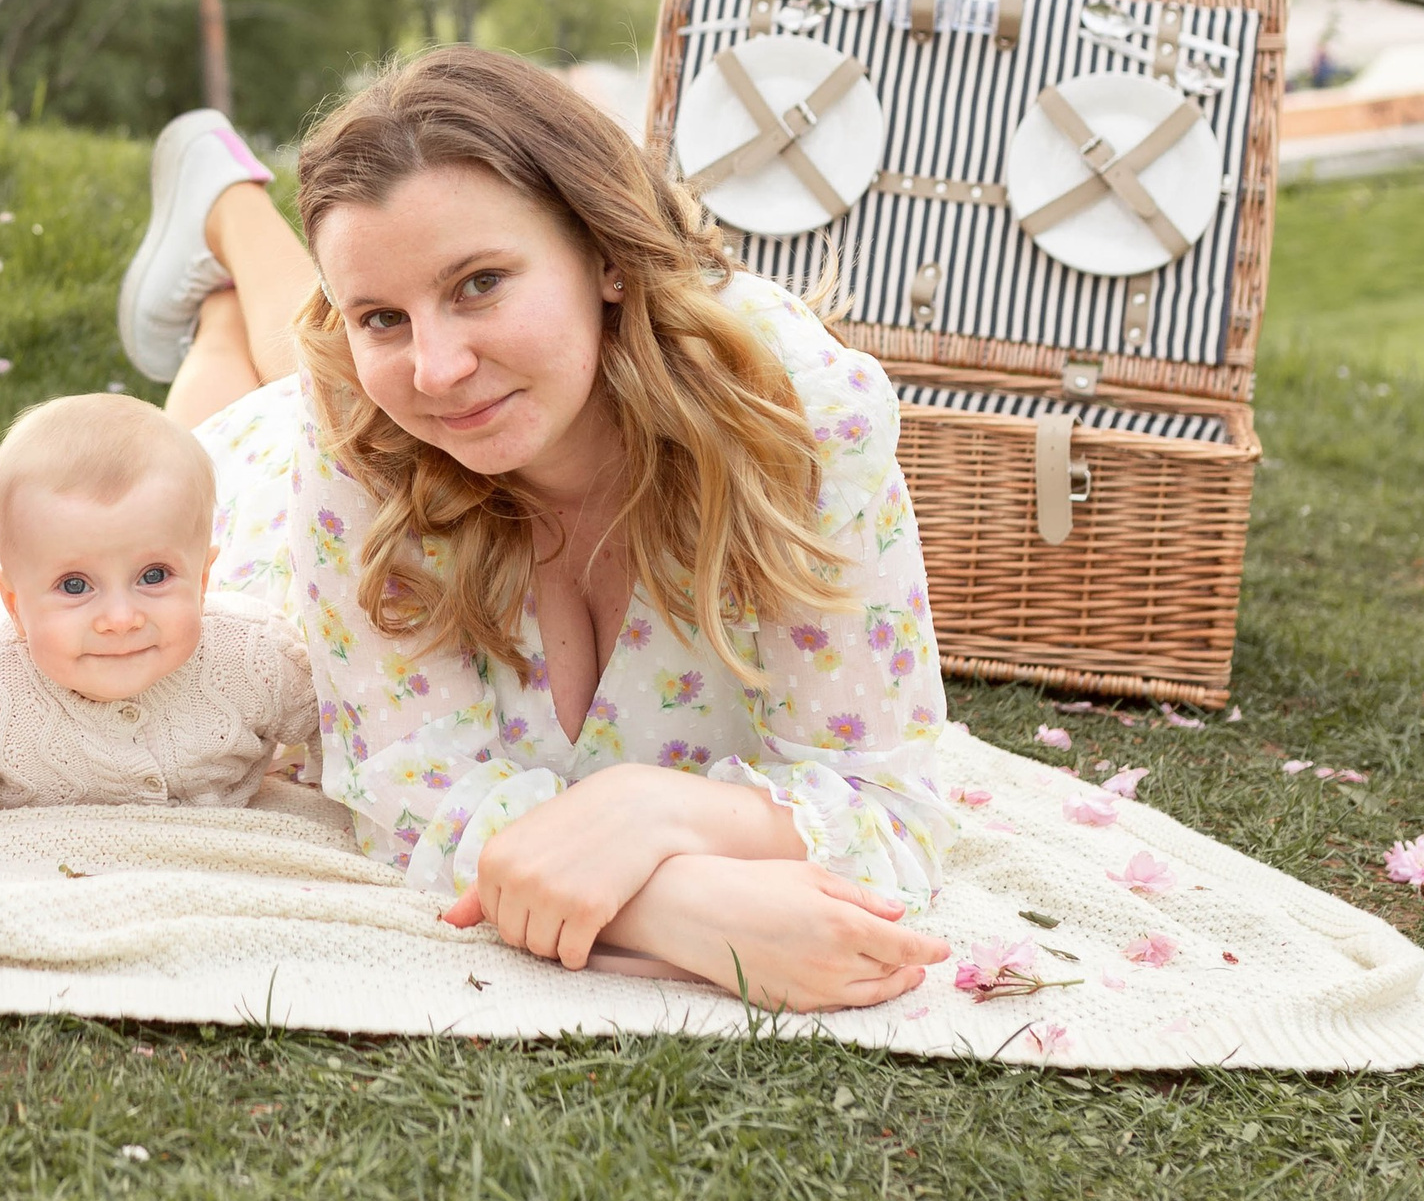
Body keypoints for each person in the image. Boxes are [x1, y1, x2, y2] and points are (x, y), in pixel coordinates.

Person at [115, 58, 954, 1014]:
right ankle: (227, 233)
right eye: (381, 317)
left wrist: (652, 808)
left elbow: (889, 804)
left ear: (606, 254)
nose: (435, 366)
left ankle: (227, 235)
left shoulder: (798, 417)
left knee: (337, 358)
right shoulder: (357, 410)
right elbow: (407, 790)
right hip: (275, 506)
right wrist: (675, 907)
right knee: (166, 472)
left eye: (479, 284)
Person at [0, 394, 318, 837]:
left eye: (154, 576)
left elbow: (338, 722)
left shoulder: (257, 656)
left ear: (201, 582)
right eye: (75, 585)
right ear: (14, 605)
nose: (120, 618)